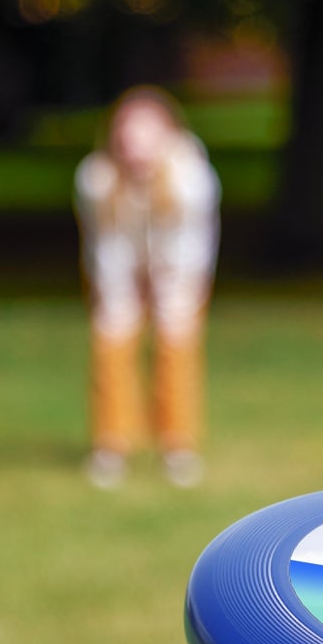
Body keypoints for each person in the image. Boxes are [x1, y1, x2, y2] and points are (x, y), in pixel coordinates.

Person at [74, 86, 221, 489]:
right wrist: (121, 293)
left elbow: (192, 245)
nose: (135, 146)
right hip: (118, 269)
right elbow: (105, 245)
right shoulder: (96, 178)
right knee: (111, 341)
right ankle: (111, 445)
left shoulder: (192, 178)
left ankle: (178, 447)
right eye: (127, 135)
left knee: (176, 346)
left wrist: (168, 288)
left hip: (179, 270)